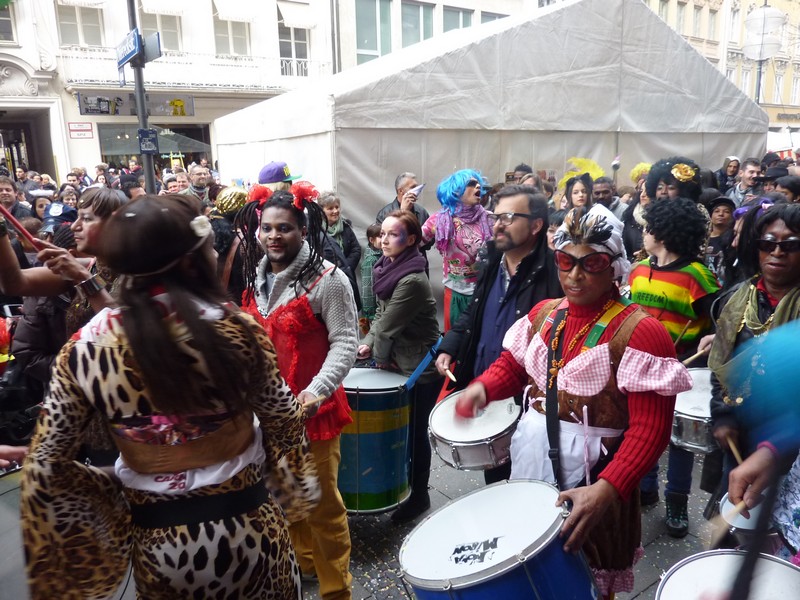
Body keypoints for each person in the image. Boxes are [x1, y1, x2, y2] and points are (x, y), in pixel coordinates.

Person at [20, 194, 305, 598]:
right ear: (190, 260)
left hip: (161, 546)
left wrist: (122, 482)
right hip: (250, 531)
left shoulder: (84, 350)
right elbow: (283, 418)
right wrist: (287, 488)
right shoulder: (237, 330)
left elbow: (45, 467)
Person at [455, 204, 691, 599]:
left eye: (592, 262)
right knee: (533, 571)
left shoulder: (642, 332)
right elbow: (513, 365)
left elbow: (650, 430)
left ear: (614, 265)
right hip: (532, 463)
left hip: (598, 481)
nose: (575, 274)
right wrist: (482, 388)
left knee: (587, 582)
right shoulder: (545, 313)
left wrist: (608, 488)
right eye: (565, 260)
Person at [237, 184, 357, 600]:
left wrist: (315, 393)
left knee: (322, 507)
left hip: (313, 414)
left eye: (284, 228)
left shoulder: (330, 279)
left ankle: (336, 590)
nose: (273, 236)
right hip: (267, 417)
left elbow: (345, 342)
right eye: (267, 228)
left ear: (303, 230)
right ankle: (303, 568)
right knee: (287, 498)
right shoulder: (256, 275)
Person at [435, 186, 562, 483]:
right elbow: (474, 313)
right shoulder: (492, 259)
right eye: (496, 216)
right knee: (495, 477)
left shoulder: (555, 273)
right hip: (486, 386)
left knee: (532, 479)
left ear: (536, 225)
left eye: (508, 216)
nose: (498, 224)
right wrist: (449, 347)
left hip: (527, 401)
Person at [628, 198, 720, 537]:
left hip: (680, 369)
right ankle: (648, 486)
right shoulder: (638, 271)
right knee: (645, 429)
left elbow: (720, 316)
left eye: (647, 229)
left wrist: (711, 336)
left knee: (679, 440)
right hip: (642, 366)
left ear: (662, 234)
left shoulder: (696, 275)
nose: (643, 234)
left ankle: (678, 500)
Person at [709, 203, 800, 511]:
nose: (777, 252)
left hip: (791, 443)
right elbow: (721, 365)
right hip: (743, 430)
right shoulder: (734, 300)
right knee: (734, 512)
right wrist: (723, 415)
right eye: (768, 243)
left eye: (791, 245)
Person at [357, 210, 443, 522]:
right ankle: (403, 488)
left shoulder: (412, 280)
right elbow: (381, 317)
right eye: (383, 234)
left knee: (416, 435)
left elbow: (390, 326)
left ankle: (420, 496)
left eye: (393, 235)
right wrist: (366, 341)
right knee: (402, 433)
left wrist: (375, 357)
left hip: (419, 367)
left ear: (411, 241)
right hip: (400, 362)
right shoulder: (387, 267)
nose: (384, 240)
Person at [422, 169, 493, 329]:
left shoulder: (489, 218)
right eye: (471, 184)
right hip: (455, 292)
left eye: (478, 184)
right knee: (454, 344)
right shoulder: (440, 219)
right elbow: (413, 242)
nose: (477, 187)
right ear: (456, 190)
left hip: (483, 290)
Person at [318, 191, 361, 276]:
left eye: (337, 207)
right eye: (330, 208)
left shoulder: (346, 226)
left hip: (346, 275)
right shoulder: (316, 230)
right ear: (322, 211)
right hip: (324, 276)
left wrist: (346, 267)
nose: (335, 211)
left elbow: (356, 249)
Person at [359, 223, 382, 334]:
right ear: (372, 240)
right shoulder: (371, 261)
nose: (385, 238)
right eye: (381, 236)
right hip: (373, 313)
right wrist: (369, 315)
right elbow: (368, 289)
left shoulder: (382, 255)